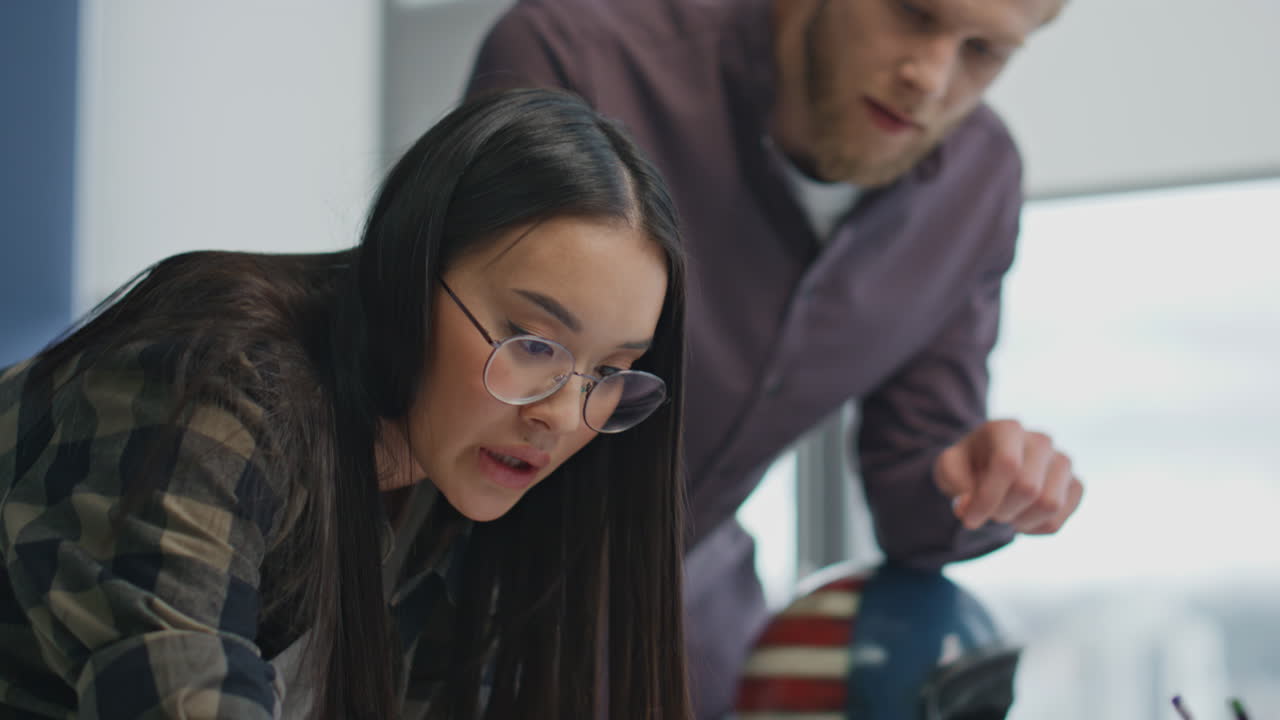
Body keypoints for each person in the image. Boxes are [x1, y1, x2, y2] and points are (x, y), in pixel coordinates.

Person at [465, 0, 1084, 716]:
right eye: (913, 14)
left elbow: (914, 490)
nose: (931, 77)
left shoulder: (979, 185)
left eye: (983, 52)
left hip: (692, 634)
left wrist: (981, 483)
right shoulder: (578, 57)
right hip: (453, 603)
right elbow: (469, 370)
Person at [0, 88, 693, 720]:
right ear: (410, 271)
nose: (565, 416)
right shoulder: (219, 382)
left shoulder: (465, 495)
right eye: (533, 344)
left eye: (611, 371)